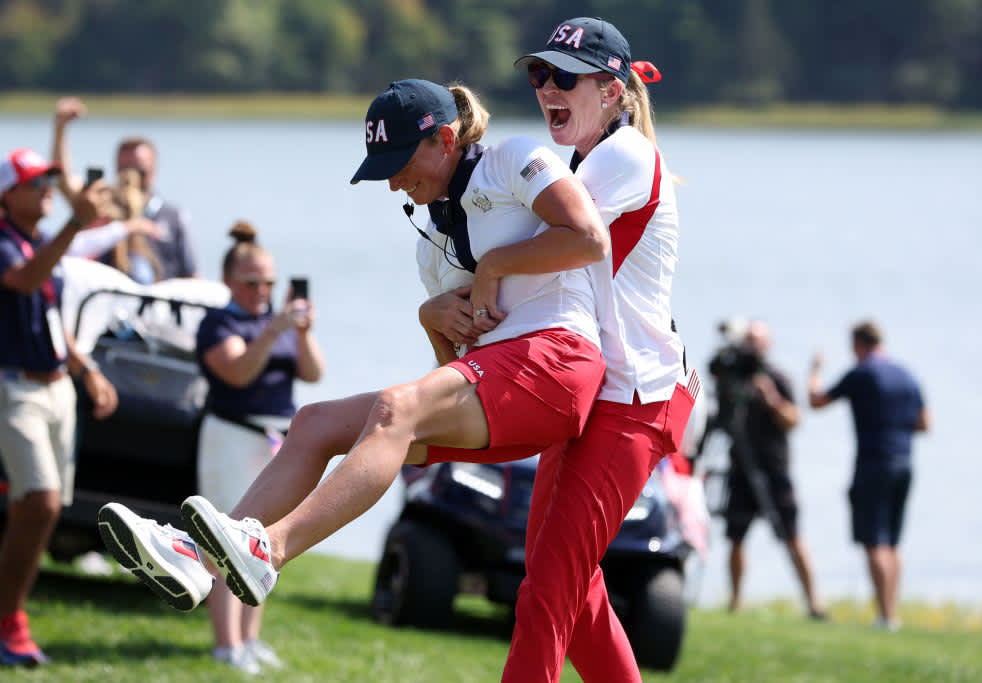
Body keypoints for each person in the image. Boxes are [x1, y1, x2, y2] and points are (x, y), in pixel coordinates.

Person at [97, 79, 612, 676]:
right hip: (507, 388)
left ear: (446, 139)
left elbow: (589, 238)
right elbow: (458, 375)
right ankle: (198, 560)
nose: (394, 183)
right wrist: (431, 319)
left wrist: (495, 264)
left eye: (399, 163)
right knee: (315, 422)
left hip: (560, 362)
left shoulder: (516, 158)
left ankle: (272, 549)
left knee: (396, 408)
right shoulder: (433, 244)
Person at [504, 17, 699, 681]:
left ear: (613, 91)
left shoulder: (624, 157)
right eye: (539, 74)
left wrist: (479, 269)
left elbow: (532, 241)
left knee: (547, 594)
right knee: (570, 588)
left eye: (564, 76)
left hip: (632, 402)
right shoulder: (591, 161)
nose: (546, 88)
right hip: (596, 396)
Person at [0, 148, 118, 667]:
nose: (48, 189)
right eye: (35, 183)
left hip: (54, 389)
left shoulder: (37, 240)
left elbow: (48, 312)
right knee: (43, 503)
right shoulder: (5, 243)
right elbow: (24, 279)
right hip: (15, 388)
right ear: (7, 195)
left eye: (51, 180)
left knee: (37, 508)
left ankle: (9, 615)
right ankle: (10, 622)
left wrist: (85, 368)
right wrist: (76, 223)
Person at [193, 221, 325, 673]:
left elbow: (312, 374)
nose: (261, 290)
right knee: (224, 541)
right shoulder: (219, 322)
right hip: (232, 434)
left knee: (262, 544)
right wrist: (273, 330)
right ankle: (225, 643)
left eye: (268, 282)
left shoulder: (280, 322)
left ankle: (249, 639)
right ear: (229, 280)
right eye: (251, 282)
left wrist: (301, 331)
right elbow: (238, 372)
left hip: (275, 440)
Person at [808, 320, 929, 631]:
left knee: (874, 541)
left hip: (874, 463)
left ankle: (886, 617)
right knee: (893, 542)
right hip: (904, 462)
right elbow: (924, 423)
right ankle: (892, 613)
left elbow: (816, 401)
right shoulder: (906, 374)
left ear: (858, 345)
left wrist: (815, 369)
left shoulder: (862, 373)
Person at [711, 320, 826, 619]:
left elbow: (794, 420)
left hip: (774, 469)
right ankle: (735, 602)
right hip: (741, 469)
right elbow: (719, 411)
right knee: (735, 536)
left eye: (757, 340)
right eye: (748, 340)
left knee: (792, 536)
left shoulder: (776, 378)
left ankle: (814, 604)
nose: (752, 346)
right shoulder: (731, 376)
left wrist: (771, 400)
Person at [52, 97, 199, 280]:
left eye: (139, 171)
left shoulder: (174, 216)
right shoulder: (101, 203)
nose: (131, 177)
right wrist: (60, 128)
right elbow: (63, 180)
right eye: (124, 170)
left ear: (154, 171)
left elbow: (192, 275)